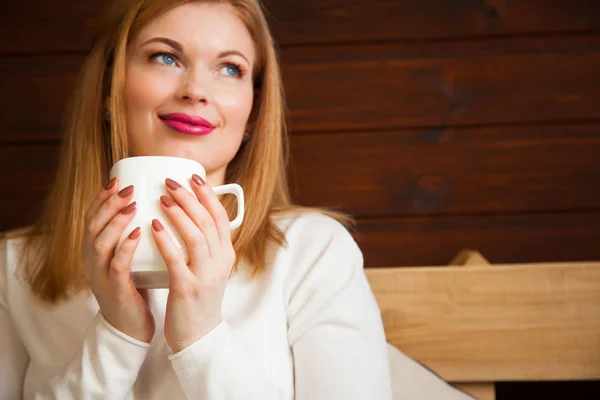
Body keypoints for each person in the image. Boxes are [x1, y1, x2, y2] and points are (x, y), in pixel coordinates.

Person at [0, 0, 393, 398]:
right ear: (109, 87)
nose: (196, 92)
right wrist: (116, 336)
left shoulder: (314, 252)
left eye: (229, 68)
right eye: (166, 57)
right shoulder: (14, 266)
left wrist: (201, 336)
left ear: (253, 113)